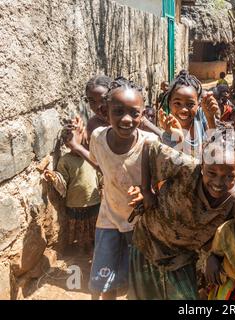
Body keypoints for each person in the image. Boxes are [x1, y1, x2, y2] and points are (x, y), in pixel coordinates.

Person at [127, 129, 235, 300]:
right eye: (212, 173)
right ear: (202, 164)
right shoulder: (186, 168)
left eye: (229, 176)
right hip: (147, 241)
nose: (219, 183)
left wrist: (214, 254)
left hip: (182, 258)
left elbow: (228, 233)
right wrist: (146, 190)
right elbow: (149, 147)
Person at [68, 77, 159, 299]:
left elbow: (164, 179)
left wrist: (148, 191)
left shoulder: (150, 143)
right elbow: (101, 164)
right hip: (108, 218)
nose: (126, 119)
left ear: (142, 114)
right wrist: (77, 146)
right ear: (106, 111)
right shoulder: (98, 137)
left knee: (138, 282)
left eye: (134, 113)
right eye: (118, 112)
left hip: (140, 223)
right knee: (102, 283)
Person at [44, 124, 100, 253]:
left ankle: (92, 248)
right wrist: (54, 177)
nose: (73, 143)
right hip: (75, 202)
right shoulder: (65, 160)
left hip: (94, 199)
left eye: (75, 139)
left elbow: (100, 174)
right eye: (70, 141)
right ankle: (80, 249)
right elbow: (62, 181)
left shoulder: (92, 156)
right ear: (66, 144)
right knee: (80, 227)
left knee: (93, 226)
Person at [158, 70, 218, 160]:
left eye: (190, 104)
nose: (184, 110)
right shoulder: (168, 132)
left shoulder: (200, 116)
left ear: (198, 103)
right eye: (177, 103)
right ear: (169, 103)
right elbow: (178, 166)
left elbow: (214, 153)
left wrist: (210, 118)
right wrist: (179, 139)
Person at [84, 75, 112, 144]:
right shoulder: (93, 125)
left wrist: (76, 147)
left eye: (103, 100)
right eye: (92, 101)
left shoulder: (127, 121)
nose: (98, 106)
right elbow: (94, 153)